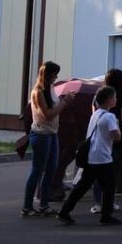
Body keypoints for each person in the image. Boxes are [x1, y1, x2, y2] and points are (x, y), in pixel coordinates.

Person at [57, 86, 122, 226]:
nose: (116, 99)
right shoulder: (110, 116)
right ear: (109, 100)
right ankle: (106, 216)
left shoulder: (95, 114)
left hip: (91, 155)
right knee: (109, 186)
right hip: (103, 156)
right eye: (114, 97)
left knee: (82, 186)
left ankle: (64, 211)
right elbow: (116, 137)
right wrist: (117, 126)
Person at [22, 61, 74, 217]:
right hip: (40, 134)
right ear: (47, 75)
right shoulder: (37, 92)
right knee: (37, 170)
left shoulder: (50, 88)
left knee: (51, 169)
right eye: (54, 74)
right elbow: (48, 115)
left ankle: (44, 205)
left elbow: (54, 108)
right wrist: (65, 102)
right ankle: (27, 206)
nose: (56, 77)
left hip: (52, 133)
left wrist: (63, 100)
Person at [92, 68, 122, 214]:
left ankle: (97, 202)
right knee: (112, 172)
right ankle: (109, 202)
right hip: (115, 134)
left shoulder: (99, 94)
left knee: (97, 174)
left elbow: (93, 112)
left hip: (99, 134)